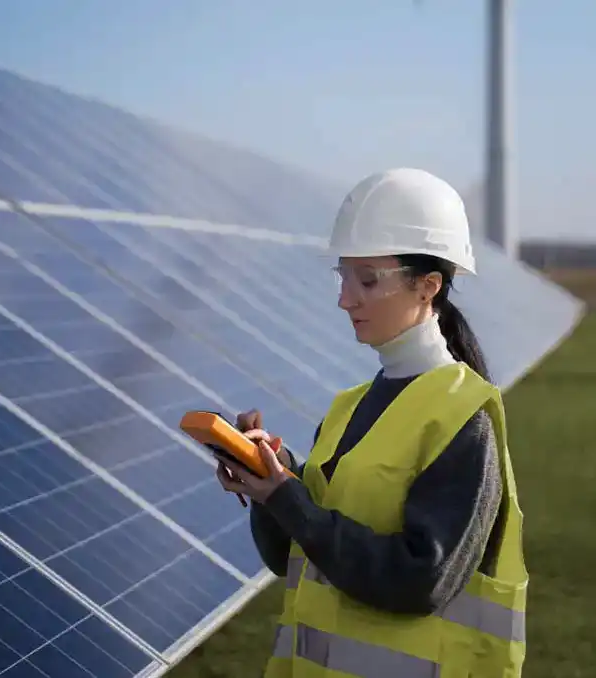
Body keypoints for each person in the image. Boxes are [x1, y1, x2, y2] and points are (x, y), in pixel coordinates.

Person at [215, 168, 528, 677]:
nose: (345, 299)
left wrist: (287, 499)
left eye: (367, 280)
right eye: (343, 277)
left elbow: (419, 580)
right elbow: (299, 557)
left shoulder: (463, 418)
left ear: (428, 286)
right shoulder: (348, 408)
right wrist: (273, 481)